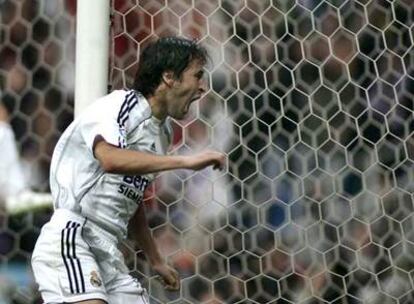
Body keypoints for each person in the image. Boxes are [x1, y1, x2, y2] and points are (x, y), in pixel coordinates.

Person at [31, 36, 225, 304]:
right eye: (197, 76)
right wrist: (184, 161)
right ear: (169, 77)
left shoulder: (162, 133)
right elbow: (109, 158)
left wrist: (156, 259)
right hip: (73, 237)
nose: (202, 87)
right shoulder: (121, 105)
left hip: (109, 251)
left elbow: (131, 198)